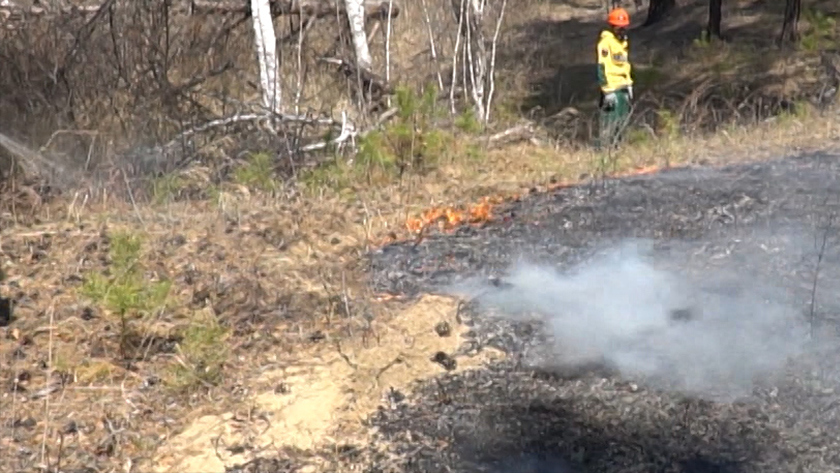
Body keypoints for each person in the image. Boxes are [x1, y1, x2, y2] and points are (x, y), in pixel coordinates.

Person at [597, 7, 634, 149]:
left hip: (622, 87)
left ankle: (619, 149)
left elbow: (625, 65)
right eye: (619, 28)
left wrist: (629, 84)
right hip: (611, 89)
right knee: (609, 122)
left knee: (622, 122)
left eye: (624, 28)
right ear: (612, 27)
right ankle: (606, 150)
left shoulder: (623, 43)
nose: (622, 31)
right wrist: (607, 91)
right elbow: (602, 67)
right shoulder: (606, 43)